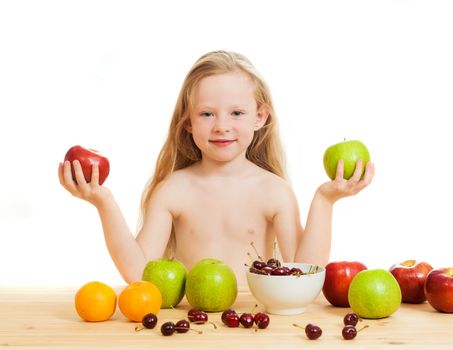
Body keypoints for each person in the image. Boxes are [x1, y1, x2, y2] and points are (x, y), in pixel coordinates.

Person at [58, 50, 375, 285]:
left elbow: (304, 275)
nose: (222, 126)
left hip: (255, 324)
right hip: (192, 325)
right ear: (188, 123)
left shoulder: (274, 191)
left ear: (260, 117)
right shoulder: (174, 189)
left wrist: (324, 200)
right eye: (207, 114)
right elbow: (139, 274)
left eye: (237, 113)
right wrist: (104, 203)